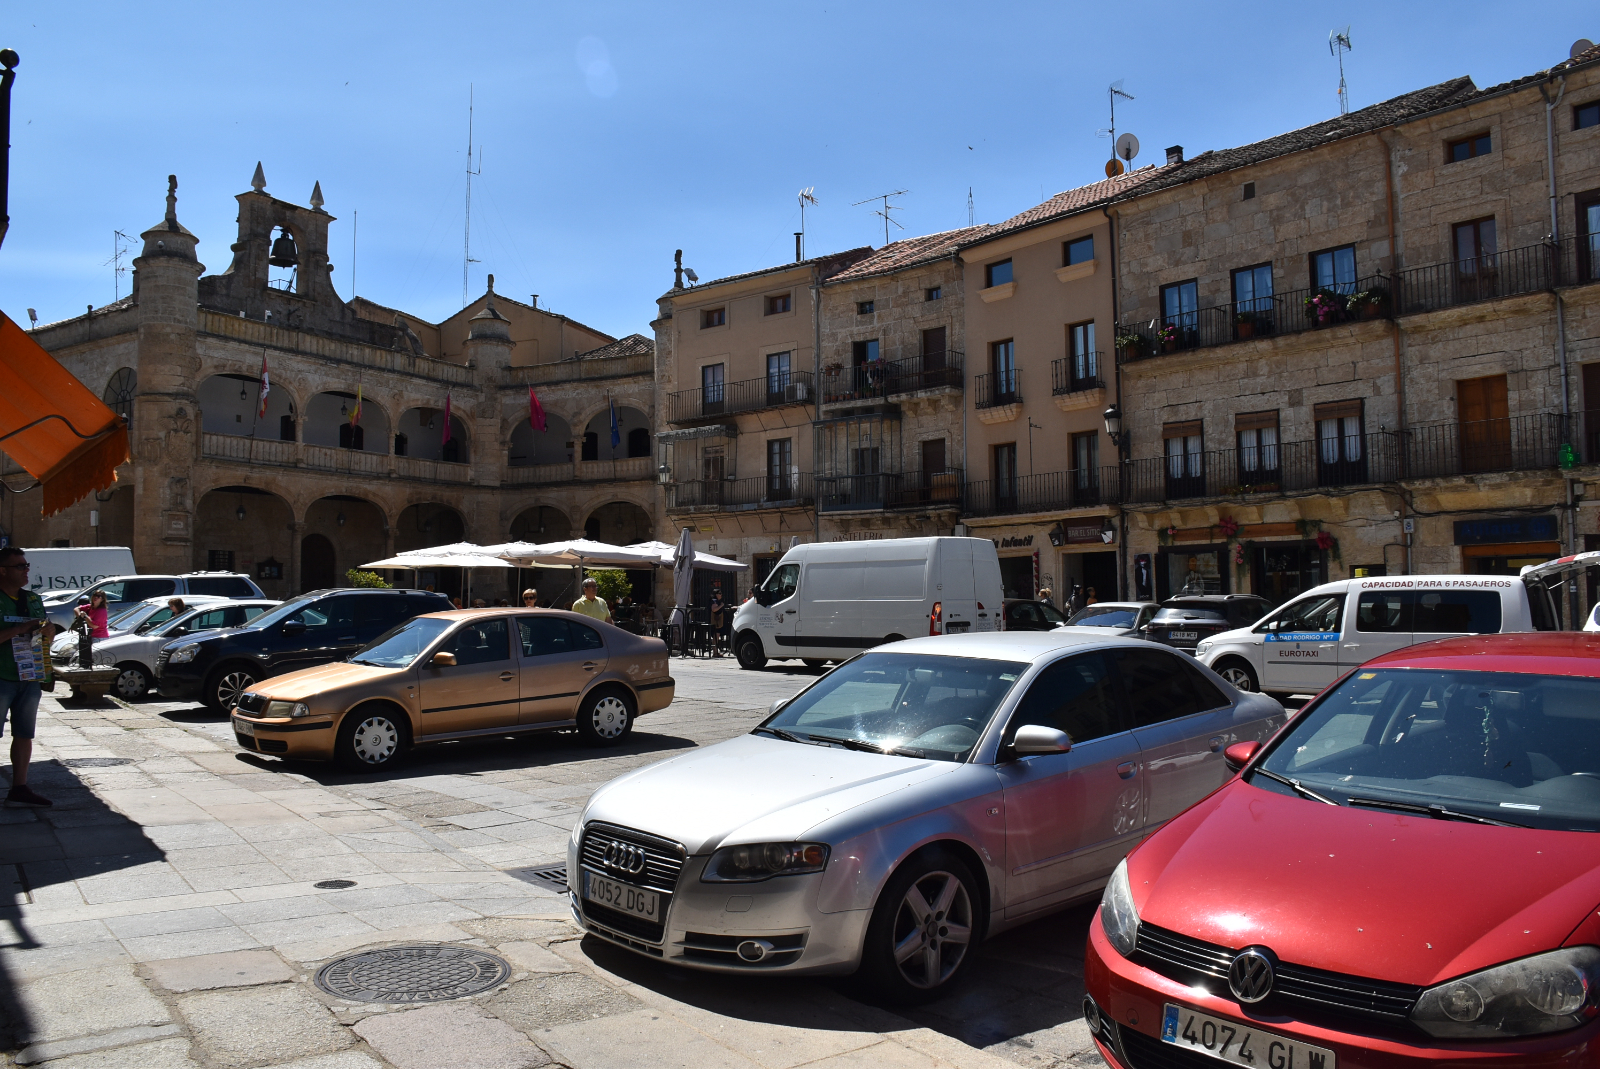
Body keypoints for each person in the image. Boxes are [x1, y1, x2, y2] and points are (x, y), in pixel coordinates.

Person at [0, 548, 52, 807]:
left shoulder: (32, 599)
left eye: (26, 565)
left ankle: (19, 789)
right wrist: (20, 628)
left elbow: (45, 633)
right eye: (20, 566)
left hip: (29, 675)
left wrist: (48, 631)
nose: (26, 570)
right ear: (2, 571)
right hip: (1, 676)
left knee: (24, 733)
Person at [708, 586, 726, 654]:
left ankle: (715, 651)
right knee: (716, 636)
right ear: (716, 594)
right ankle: (715, 652)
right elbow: (714, 609)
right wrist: (721, 605)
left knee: (716, 636)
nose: (721, 595)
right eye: (720, 593)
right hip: (716, 622)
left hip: (717, 622)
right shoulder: (714, 601)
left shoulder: (716, 601)